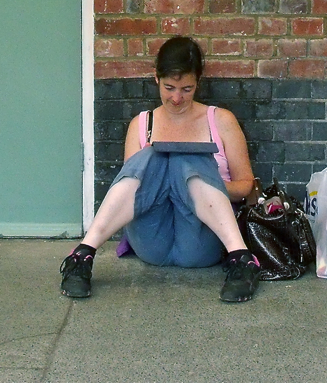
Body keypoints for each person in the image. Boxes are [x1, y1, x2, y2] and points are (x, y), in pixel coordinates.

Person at [59, 36, 262, 302]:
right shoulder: (141, 123)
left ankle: (242, 259)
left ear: (198, 82)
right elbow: (132, 189)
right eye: (169, 87)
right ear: (156, 78)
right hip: (151, 237)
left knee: (187, 159)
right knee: (154, 156)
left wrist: (203, 183)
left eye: (187, 89)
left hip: (202, 238)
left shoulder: (221, 120)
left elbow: (246, 185)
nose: (177, 98)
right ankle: (82, 255)